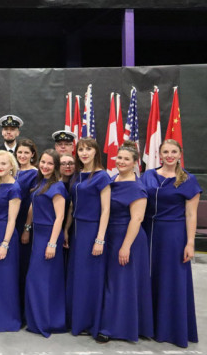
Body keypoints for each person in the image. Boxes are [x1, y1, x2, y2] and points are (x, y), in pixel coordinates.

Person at [141, 139, 201, 348]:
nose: (169, 155)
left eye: (173, 151)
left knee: (171, 279)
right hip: (148, 232)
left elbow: (191, 214)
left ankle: (170, 328)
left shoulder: (188, 179)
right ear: (159, 154)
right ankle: (148, 325)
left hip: (174, 234)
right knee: (149, 277)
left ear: (179, 154)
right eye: (165, 151)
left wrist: (190, 242)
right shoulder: (148, 175)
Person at [97, 141, 153, 343]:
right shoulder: (112, 179)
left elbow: (137, 219)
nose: (121, 161)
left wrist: (126, 246)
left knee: (122, 283)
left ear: (135, 162)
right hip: (111, 235)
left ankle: (113, 328)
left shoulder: (137, 187)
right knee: (113, 282)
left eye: (126, 159)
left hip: (128, 239)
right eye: (119, 157)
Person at [64, 137, 110, 338]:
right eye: (81, 149)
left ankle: (92, 321)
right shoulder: (76, 175)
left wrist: (100, 238)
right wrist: (66, 229)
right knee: (78, 276)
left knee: (91, 278)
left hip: (92, 230)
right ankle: (77, 319)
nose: (84, 153)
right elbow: (72, 205)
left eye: (88, 149)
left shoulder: (102, 176)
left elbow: (106, 209)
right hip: (77, 231)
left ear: (96, 152)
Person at [23, 149, 67, 337]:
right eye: (43, 162)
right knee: (36, 280)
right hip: (37, 235)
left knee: (43, 281)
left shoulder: (58, 187)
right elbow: (33, 206)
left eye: (50, 163)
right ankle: (36, 319)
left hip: (49, 235)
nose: (45, 166)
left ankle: (47, 321)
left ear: (56, 166)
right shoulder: (39, 183)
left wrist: (52, 244)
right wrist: (27, 227)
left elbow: (60, 217)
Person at [0, 150, 22, 332]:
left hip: (5, 235)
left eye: (3, 164)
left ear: (11, 166)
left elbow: (12, 220)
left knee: (5, 277)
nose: (0, 167)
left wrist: (5, 243)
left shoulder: (14, 188)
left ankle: (6, 317)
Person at [14, 138, 38, 316]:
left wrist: (27, 228)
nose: (22, 156)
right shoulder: (10, 170)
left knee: (24, 265)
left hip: (24, 223)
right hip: (8, 222)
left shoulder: (36, 174)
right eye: (19, 152)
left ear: (32, 155)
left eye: (26, 153)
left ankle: (24, 309)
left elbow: (33, 203)